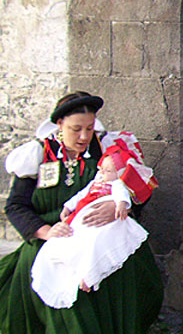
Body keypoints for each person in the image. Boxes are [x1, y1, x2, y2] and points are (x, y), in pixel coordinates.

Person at [0, 91, 163, 333]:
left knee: (120, 272)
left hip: (102, 238)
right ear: (59, 125)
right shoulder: (38, 154)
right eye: (76, 129)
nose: (84, 136)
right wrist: (47, 231)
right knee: (53, 277)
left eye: (89, 128)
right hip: (53, 238)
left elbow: (140, 189)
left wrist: (120, 206)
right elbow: (15, 205)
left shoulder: (107, 150)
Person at [31, 142, 155, 309]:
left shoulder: (116, 184)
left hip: (106, 215)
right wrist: (68, 206)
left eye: (108, 171)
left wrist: (120, 205)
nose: (103, 173)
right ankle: (68, 269)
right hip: (85, 212)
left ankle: (90, 276)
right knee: (77, 241)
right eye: (101, 169)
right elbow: (81, 194)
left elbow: (122, 195)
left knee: (97, 243)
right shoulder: (95, 182)